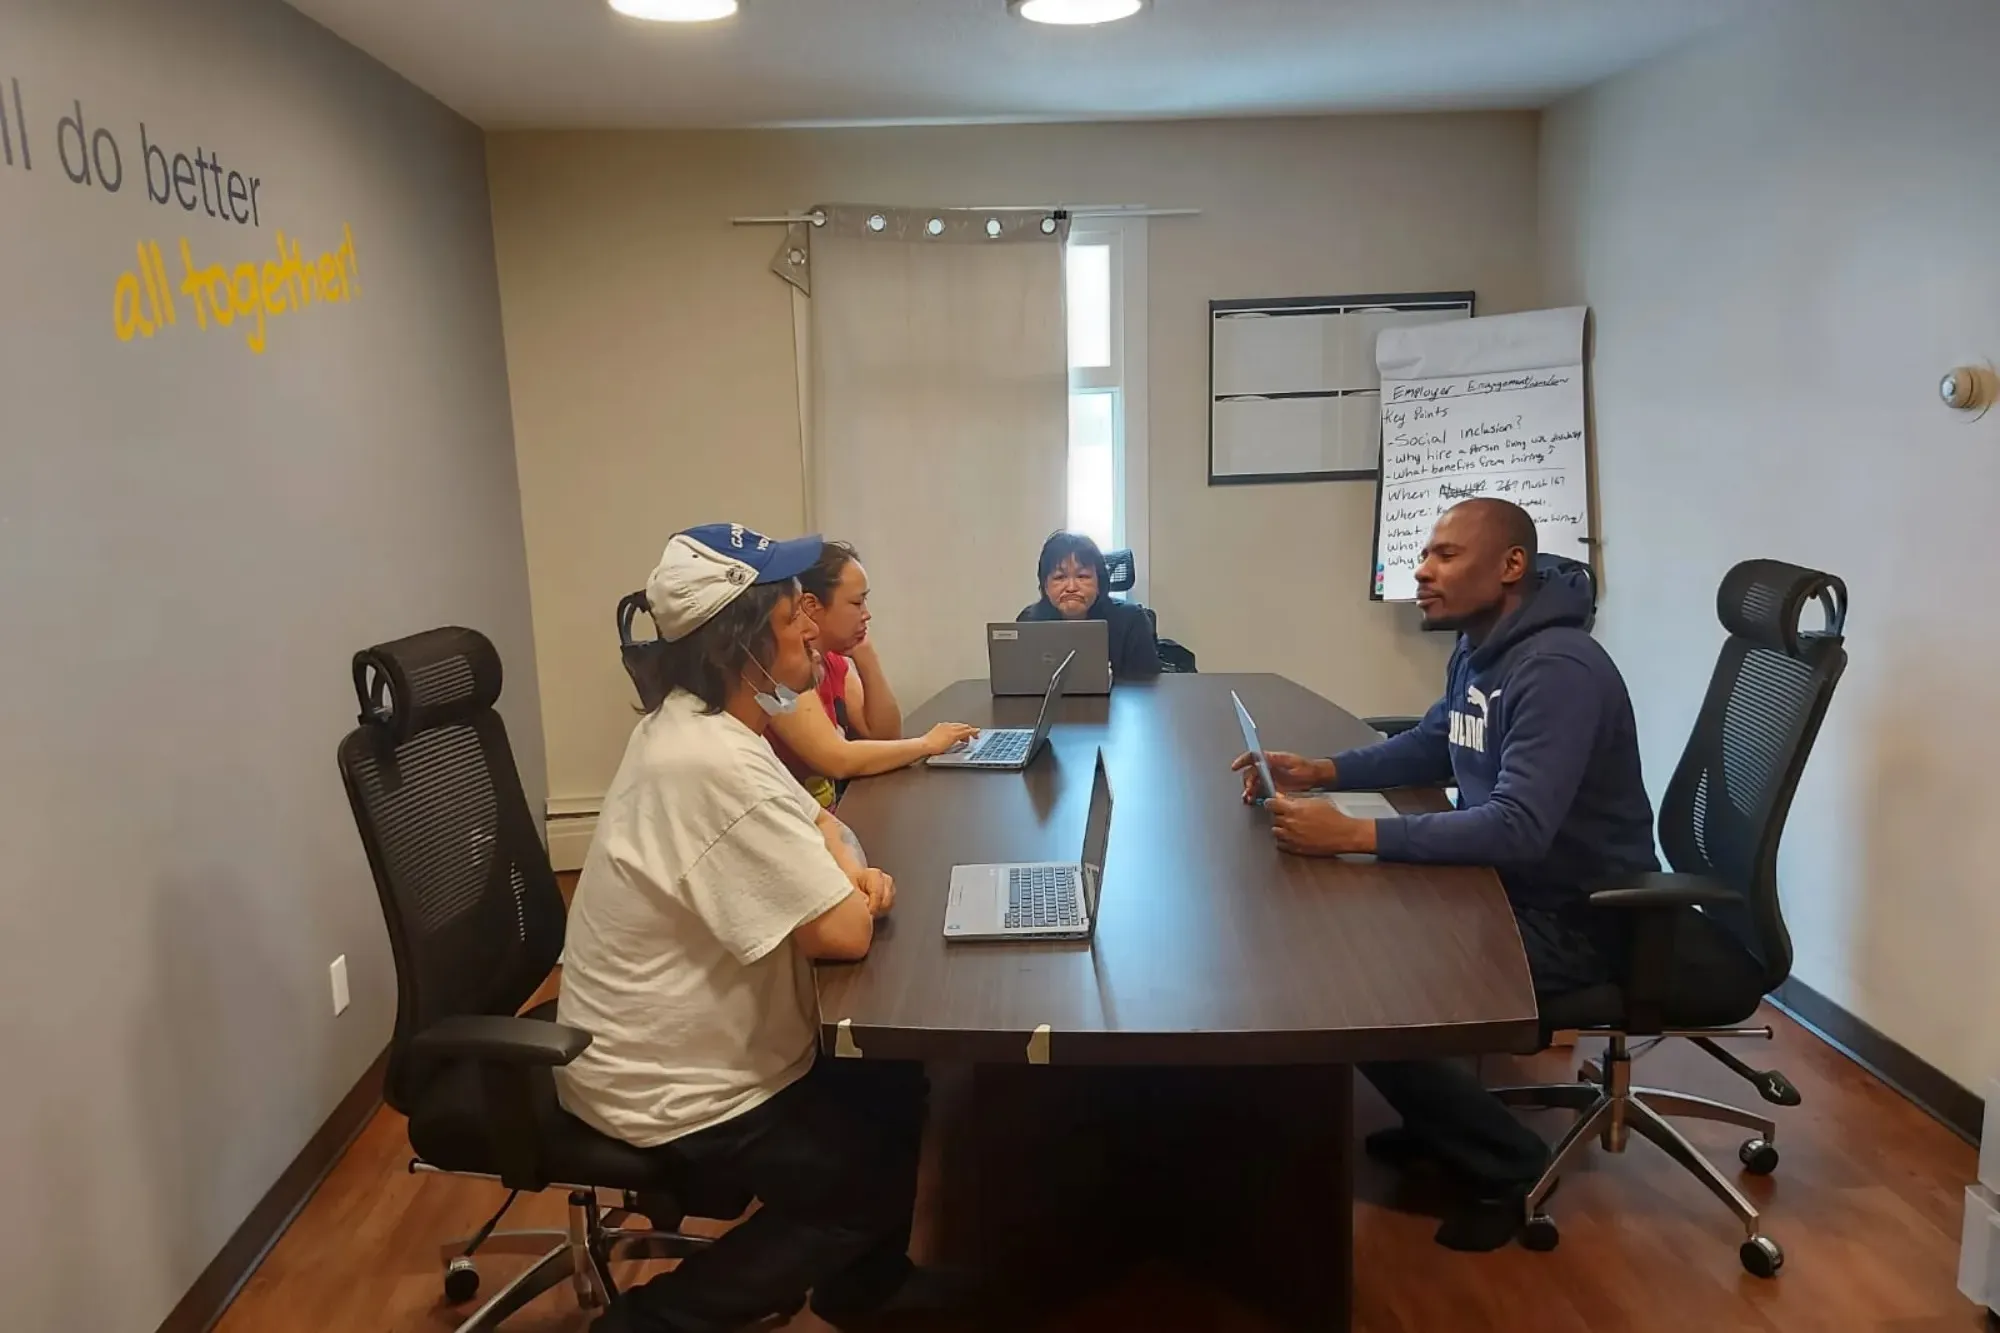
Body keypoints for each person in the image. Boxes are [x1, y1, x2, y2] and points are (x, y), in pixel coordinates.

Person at [1231, 498, 1659, 1252]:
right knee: (1359, 946)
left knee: (1365, 985)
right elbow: (1437, 742)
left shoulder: (1557, 669)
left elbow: (1521, 826)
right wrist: (1324, 769)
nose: (1421, 572)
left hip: (1578, 918)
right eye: (1425, 554)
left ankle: (1508, 1167)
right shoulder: (1481, 646)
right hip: (1504, 886)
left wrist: (1355, 834)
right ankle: (1441, 1120)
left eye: (1445, 556)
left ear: (1511, 566)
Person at [558, 522, 945, 1333]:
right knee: (857, 1187)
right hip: (668, 1076)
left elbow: (822, 823)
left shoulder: (710, 724)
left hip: (699, 1029)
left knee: (895, 1072)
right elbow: (841, 930)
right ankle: (648, 1322)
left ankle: (865, 1286)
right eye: (791, 611)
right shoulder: (709, 760)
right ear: (741, 637)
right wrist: (853, 883)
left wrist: (840, 861)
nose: (811, 622)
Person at [766, 540, 979, 807]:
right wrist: (926, 744)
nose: (866, 615)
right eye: (857, 603)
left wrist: (866, 655)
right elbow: (836, 758)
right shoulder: (783, 667)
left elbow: (885, 736)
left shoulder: (832, 660)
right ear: (811, 605)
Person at [1017, 530, 1161, 679]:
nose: (1071, 587)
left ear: (1099, 582)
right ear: (1045, 587)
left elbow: (1147, 688)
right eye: (1059, 577)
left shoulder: (1131, 621)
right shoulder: (1029, 622)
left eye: (1082, 576)